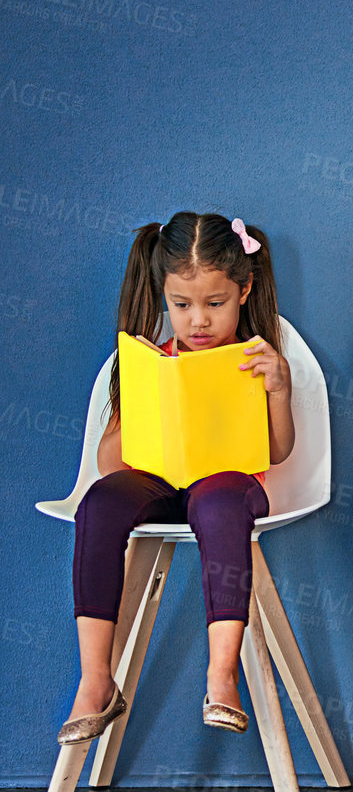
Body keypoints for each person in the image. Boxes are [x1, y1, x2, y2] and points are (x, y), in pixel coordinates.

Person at [60, 213, 294, 744]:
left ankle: (221, 675)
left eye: (215, 304)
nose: (198, 322)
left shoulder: (255, 359)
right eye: (182, 305)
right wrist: (143, 390)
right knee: (98, 503)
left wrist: (278, 388)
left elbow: (279, 450)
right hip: (157, 482)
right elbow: (108, 462)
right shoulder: (153, 359)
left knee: (217, 506)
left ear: (244, 290)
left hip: (226, 486)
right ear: (164, 297)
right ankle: (96, 681)